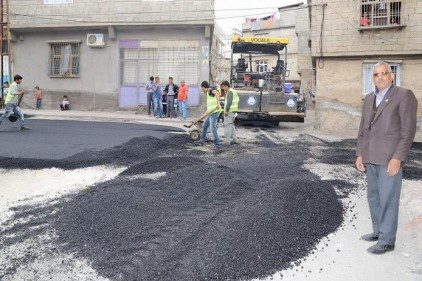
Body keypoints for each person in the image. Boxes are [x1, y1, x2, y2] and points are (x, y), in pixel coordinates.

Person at [355, 61, 418, 254]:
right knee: (373, 197)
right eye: (376, 74)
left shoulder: (403, 95)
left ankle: (387, 241)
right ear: (372, 78)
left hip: (390, 158)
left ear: (391, 76)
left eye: (383, 73)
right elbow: (363, 130)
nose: (380, 77)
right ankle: (378, 232)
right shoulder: (368, 98)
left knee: (388, 199)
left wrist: (398, 158)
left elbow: (408, 132)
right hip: (370, 157)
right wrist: (359, 154)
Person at [195, 81, 222, 150]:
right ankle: (202, 141)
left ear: (203, 87)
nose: (202, 90)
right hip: (211, 113)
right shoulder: (208, 94)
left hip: (215, 113)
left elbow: (216, 93)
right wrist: (201, 117)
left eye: (202, 88)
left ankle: (217, 145)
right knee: (204, 126)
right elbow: (209, 110)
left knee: (213, 129)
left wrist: (218, 103)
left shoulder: (209, 90)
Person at [220, 80, 239, 145]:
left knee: (228, 126)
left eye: (223, 87)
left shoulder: (230, 92)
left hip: (229, 111)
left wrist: (226, 111)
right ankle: (235, 139)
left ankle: (227, 141)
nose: (223, 88)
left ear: (226, 86)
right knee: (231, 126)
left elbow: (229, 102)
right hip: (233, 111)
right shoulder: (233, 91)